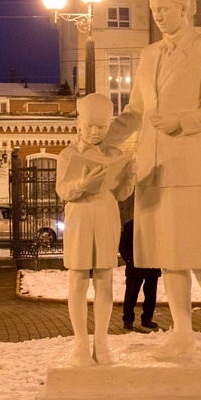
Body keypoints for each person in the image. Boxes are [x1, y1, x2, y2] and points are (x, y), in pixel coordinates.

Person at [105, 0, 201, 361]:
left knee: (200, 255)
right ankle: (183, 334)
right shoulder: (150, 55)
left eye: (166, 10)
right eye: (154, 11)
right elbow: (135, 111)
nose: (160, 17)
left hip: (187, 165)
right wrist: (104, 138)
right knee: (167, 256)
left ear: (184, 9)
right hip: (152, 168)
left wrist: (181, 121)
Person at [56, 93, 135, 366]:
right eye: (90, 125)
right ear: (79, 122)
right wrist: (81, 185)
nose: (94, 132)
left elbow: (122, 193)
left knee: (104, 278)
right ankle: (80, 341)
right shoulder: (68, 154)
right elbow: (63, 191)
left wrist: (129, 175)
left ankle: (101, 341)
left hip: (105, 213)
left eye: (101, 127)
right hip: (79, 214)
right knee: (78, 278)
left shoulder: (114, 154)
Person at [119, 219, 161, 331]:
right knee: (131, 294)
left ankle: (147, 318)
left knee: (150, 294)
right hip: (135, 265)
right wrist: (130, 260)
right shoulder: (129, 226)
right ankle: (128, 319)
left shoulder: (156, 225)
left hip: (152, 264)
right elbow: (123, 245)